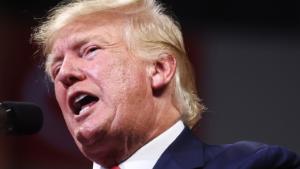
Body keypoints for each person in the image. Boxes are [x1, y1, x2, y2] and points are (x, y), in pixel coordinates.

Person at [32, 0, 300, 168]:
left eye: (90, 50)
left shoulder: (252, 165)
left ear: (159, 69)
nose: (65, 73)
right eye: (56, 68)